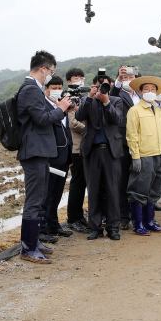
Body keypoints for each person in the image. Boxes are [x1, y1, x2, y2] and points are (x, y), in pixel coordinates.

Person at [16, 50, 72, 264]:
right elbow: (41, 119)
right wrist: (61, 109)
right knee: (34, 199)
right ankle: (28, 248)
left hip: (39, 150)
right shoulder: (30, 89)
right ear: (43, 69)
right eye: (51, 71)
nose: (51, 74)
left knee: (39, 199)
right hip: (34, 151)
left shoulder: (33, 89)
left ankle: (34, 241)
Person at [76, 71, 124, 240]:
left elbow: (118, 120)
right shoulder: (87, 101)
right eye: (99, 86)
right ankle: (95, 227)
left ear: (110, 87)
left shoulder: (116, 101)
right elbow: (79, 116)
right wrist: (90, 96)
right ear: (94, 86)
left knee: (112, 189)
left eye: (105, 86)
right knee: (94, 189)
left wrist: (106, 103)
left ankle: (113, 227)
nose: (102, 89)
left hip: (111, 151)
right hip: (92, 151)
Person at [125, 76, 161, 236]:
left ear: (157, 92)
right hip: (144, 156)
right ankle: (138, 224)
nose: (150, 92)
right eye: (146, 89)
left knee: (154, 191)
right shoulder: (135, 110)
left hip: (159, 155)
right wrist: (135, 156)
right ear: (140, 91)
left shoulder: (159, 110)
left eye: (153, 89)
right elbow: (131, 135)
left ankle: (149, 221)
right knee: (139, 190)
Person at [39, 76, 74, 238]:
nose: (57, 90)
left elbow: (67, 131)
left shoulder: (63, 105)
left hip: (64, 157)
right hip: (51, 157)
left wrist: (70, 157)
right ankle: (42, 228)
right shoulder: (44, 106)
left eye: (60, 87)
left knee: (57, 193)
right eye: (53, 87)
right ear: (46, 88)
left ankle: (54, 224)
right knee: (46, 194)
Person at [111, 65, 140, 230]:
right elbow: (111, 96)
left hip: (141, 142)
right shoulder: (118, 94)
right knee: (122, 181)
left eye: (131, 77)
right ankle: (123, 216)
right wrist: (118, 81)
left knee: (140, 180)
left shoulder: (142, 95)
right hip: (123, 142)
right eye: (125, 77)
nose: (129, 80)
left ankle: (140, 215)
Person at [65, 68, 91, 234]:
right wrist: (91, 130)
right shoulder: (69, 97)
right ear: (69, 81)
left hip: (85, 146)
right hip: (76, 147)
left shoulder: (82, 96)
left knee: (82, 184)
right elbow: (73, 123)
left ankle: (79, 216)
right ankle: (73, 218)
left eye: (82, 77)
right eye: (76, 77)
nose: (80, 80)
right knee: (77, 183)